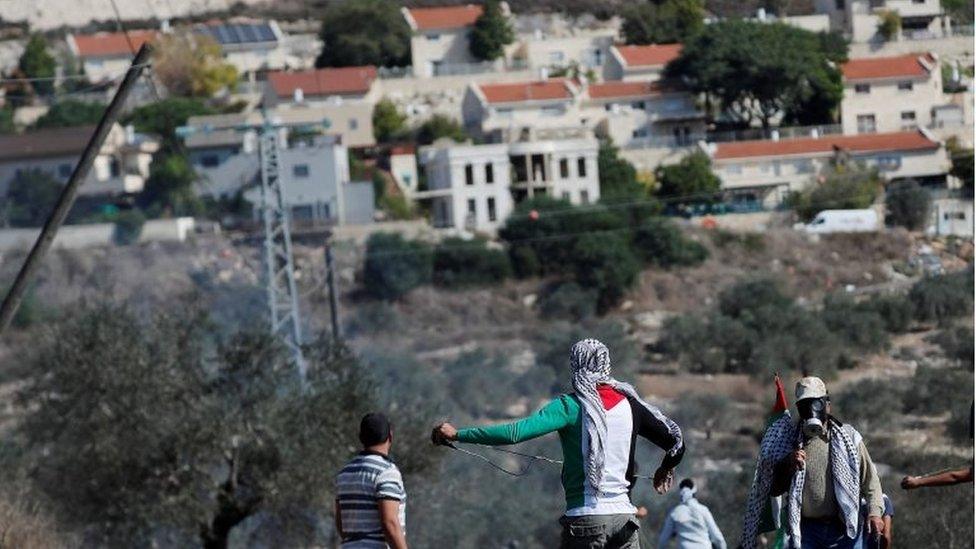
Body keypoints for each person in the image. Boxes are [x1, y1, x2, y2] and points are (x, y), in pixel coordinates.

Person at [432, 338, 685, 549]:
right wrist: (666, 467)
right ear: (607, 365)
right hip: (626, 522)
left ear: (575, 366)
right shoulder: (631, 405)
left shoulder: (569, 406)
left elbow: (514, 433)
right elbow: (675, 440)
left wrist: (458, 434)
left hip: (585, 521)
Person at [745, 376, 885, 549]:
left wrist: (875, 513)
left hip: (845, 529)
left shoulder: (848, 438)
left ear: (827, 404)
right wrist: (788, 464)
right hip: (807, 531)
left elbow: (870, 481)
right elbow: (775, 489)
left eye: (816, 403)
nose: (811, 410)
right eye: (805, 405)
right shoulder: (788, 441)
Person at [334, 413, 408, 549]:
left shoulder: (344, 473)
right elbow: (390, 523)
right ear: (390, 436)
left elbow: (341, 523)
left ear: (361, 437)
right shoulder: (386, 472)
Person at [658, 478, 727, 549]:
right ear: (695, 492)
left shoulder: (675, 512)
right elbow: (718, 538)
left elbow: (663, 540)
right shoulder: (703, 510)